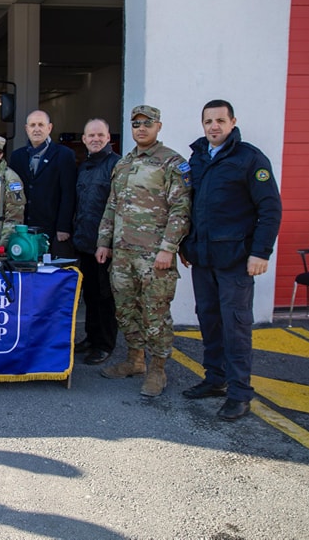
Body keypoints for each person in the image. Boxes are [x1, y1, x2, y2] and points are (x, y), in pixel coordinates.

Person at [180, 99, 282, 421]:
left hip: (236, 260)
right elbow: (191, 206)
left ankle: (239, 394)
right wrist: (185, 244)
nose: (214, 126)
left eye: (220, 120)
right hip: (203, 258)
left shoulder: (249, 158)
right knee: (208, 319)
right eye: (208, 121)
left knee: (235, 326)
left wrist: (260, 253)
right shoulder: (198, 157)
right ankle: (215, 379)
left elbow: (270, 209)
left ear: (233, 122)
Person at [95, 105, 191, 397]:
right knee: (125, 310)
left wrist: (168, 249)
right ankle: (135, 360)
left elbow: (181, 210)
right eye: (136, 124)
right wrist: (104, 241)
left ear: (158, 126)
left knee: (155, 314)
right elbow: (112, 205)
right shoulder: (124, 163)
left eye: (147, 123)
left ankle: (157, 369)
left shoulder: (172, 162)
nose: (141, 128)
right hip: (123, 254)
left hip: (154, 256)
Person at [72, 119, 121, 365]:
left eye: (100, 135)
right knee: (90, 295)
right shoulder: (85, 166)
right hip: (85, 242)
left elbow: (119, 208)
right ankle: (91, 338)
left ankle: (104, 344)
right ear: (84, 139)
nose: (95, 139)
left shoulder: (116, 165)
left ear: (108, 137)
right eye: (91, 135)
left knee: (105, 297)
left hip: (104, 245)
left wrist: (108, 243)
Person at [8, 110, 77, 258]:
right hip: (23, 229)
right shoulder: (17, 156)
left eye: (41, 125)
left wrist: (63, 227)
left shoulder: (64, 155)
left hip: (53, 229)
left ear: (49, 128)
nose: (36, 129)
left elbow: (69, 194)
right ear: (26, 129)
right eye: (32, 125)